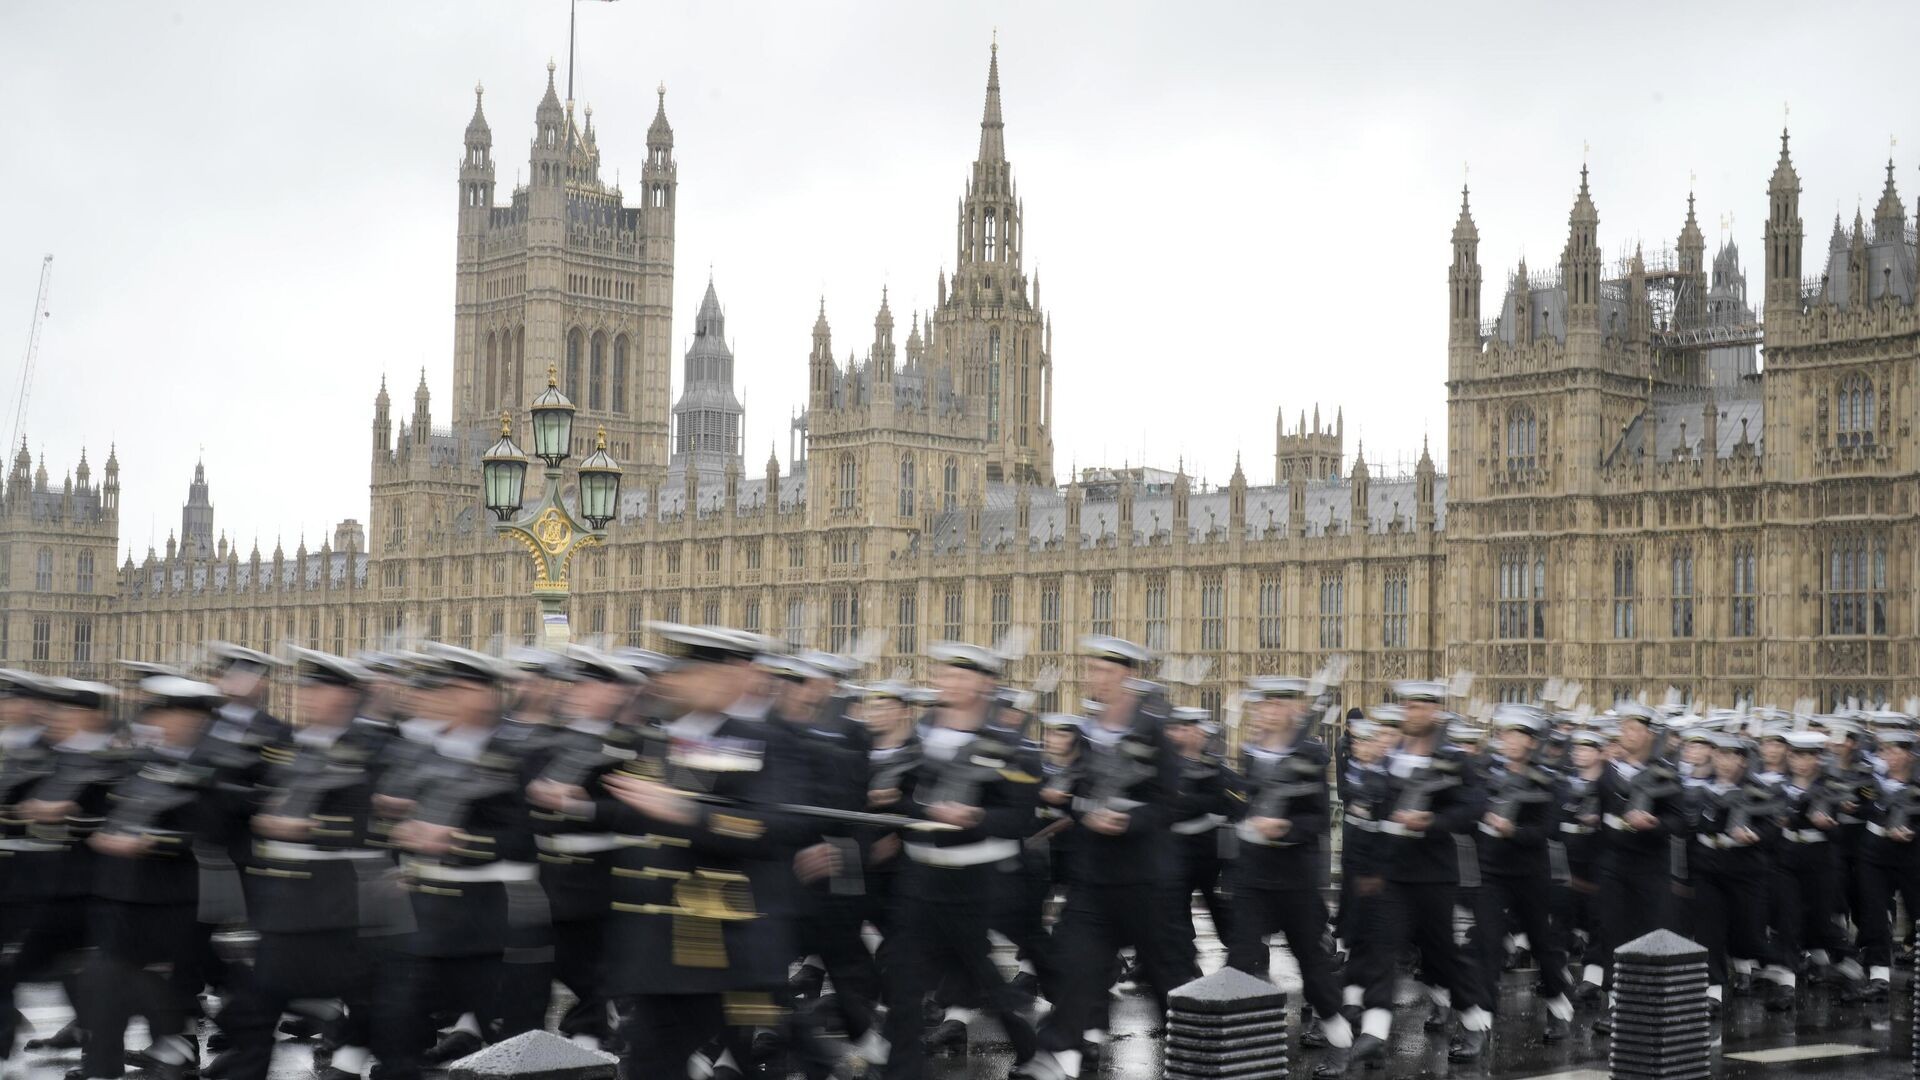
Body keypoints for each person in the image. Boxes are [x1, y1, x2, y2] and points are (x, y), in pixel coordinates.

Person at [212, 648, 382, 1080]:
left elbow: (370, 824)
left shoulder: (366, 749)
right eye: (306, 688)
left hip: (339, 904)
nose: (307, 697)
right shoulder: (291, 745)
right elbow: (259, 796)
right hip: (285, 904)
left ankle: (352, 1054)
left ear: (346, 696)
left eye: (318, 689)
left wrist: (306, 826)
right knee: (258, 1005)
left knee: (377, 1002)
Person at [1021, 637, 1180, 1080]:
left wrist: (1128, 821)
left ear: (1128, 676)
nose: (1096, 678)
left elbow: (1168, 804)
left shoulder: (1154, 733)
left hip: (1143, 882)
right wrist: (1081, 808)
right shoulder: (1087, 735)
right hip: (1093, 882)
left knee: (1168, 981)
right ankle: (1060, 1058)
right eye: (1093, 669)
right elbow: (1076, 796)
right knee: (1075, 968)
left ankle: (1201, 1055)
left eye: (1105, 671)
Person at [374, 645, 536, 1080]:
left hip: (482, 925)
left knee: (509, 1045)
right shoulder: (422, 751)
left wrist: (455, 841)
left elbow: (522, 840)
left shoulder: (511, 756)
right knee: (395, 1031)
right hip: (419, 921)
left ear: (483, 696)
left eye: (454, 690)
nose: (441, 699)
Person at [888, 642, 1039, 1080]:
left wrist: (976, 817)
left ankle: (1030, 1047)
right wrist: (913, 809)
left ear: (984, 685)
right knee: (903, 975)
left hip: (972, 878)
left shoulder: (1009, 746)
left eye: (960, 676)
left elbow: (1021, 818)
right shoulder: (918, 737)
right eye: (944, 674)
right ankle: (901, 1069)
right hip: (919, 874)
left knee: (980, 971)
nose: (948, 682)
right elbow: (901, 796)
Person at [78, 676, 230, 1080]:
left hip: (172, 898)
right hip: (124, 892)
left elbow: (210, 826)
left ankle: (181, 1041)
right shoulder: (142, 758)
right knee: (107, 981)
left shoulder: (208, 765)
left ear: (193, 719)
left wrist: (150, 841)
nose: (158, 721)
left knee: (129, 980)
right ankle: (110, 1063)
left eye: (168, 713)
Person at [1344, 680, 1489, 1072]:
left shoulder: (1451, 759)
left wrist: (1433, 821)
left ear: (1435, 711)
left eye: (1420, 706)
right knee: (1381, 947)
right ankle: (1375, 1033)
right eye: (1408, 706)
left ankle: (1475, 1021)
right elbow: (1376, 815)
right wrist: (1370, 868)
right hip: (1393, 876)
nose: (1412, 712)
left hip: (1434, 876)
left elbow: (1474, 805)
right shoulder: (1391, 758)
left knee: (1442, 957)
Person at [1217, 677, 1350, 1071]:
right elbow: (1245, 801)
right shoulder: (1252, 752)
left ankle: (1340, 1037)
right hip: (1254, 877)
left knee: (1311, 965)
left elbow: (1317, 819)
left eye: (1277, 704)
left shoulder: (1309, 755)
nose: (1269, 711)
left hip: (1294, 880)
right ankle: (1237, 1047)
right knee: (1239, 959)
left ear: (1293, 709)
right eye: (1264, 704)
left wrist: (1284, 828)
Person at [1467, 704, 1571, 1040]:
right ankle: (1482, 1021)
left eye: (1517, 734)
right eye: (1506, 733)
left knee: (1542, 944)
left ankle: (1558, 1006)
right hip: (1492, 873)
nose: (1509, 740)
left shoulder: (1546, 781)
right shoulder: (1487, 775)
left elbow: (1549, 829)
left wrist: (1514, 831)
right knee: (1487, 942)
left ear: (1531, 741)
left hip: (1530, 875)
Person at [1592, 702, 1685, 1032]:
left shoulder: (1666, 774)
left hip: (1650, 866)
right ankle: (1616, 1004)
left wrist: (1654, 823)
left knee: (1650, 934)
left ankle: (1652, 1004)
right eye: (1624, 728)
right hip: (1614, 864)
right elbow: (1599, 811)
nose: (1627, 734)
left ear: (1649, 735)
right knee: (1613, 933)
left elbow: (1679, 820)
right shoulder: (1609, 773)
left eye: (1634, 729)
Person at [1163, 705, 1235, 982]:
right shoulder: (1168, 763)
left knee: (1214, 904)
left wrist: (1182, 803)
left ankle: (1242, 945)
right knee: (1174, 906)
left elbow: (1218, 802)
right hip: (1176, 849)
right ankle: (1187, 960)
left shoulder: (1211, 765)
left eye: (1187, 728)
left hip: (1205, 851)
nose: (1181, 733)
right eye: (1179, 728)